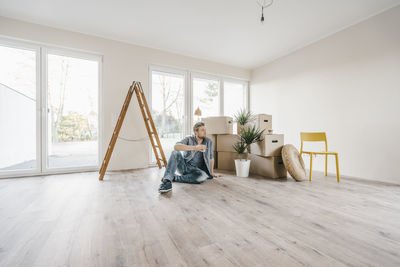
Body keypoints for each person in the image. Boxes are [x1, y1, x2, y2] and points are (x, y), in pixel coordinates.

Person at [158, 121, 222, 193]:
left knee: (203, 176)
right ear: (196, 131)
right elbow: (176, 147)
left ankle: (175, 177)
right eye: (202, 130)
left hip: (198, 171)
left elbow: (211, 157)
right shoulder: (188, 139)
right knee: (175, 153)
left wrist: (212, 172)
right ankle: (166, 182)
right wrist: (195, 148)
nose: (205, 132)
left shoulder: (209, 141)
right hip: (185, 167)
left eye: (205, 130)